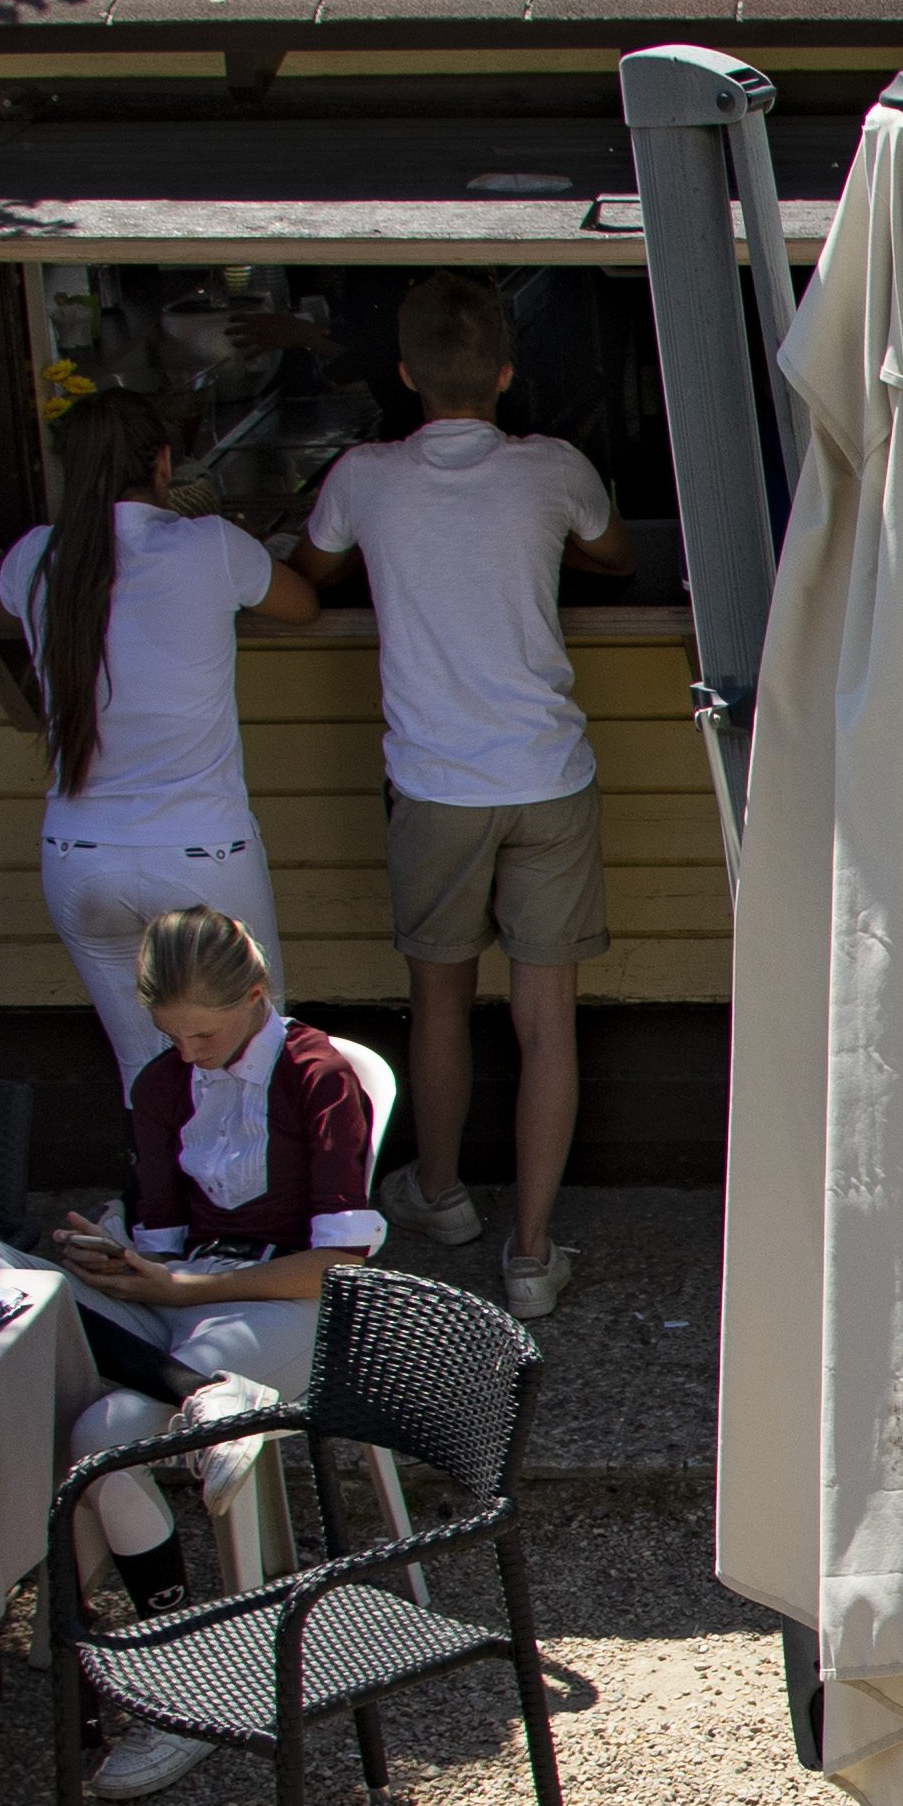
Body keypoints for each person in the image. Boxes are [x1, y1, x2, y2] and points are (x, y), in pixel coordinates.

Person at [302, 270, 615, 1324]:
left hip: (433, 782)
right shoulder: (553, 470)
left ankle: (439, 1195)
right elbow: (612, 547)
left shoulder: (364, 477)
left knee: (437, 1001)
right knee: (547, 1022)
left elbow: (313, 567)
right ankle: (531, 1255)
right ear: (508, 372)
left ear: (403, 376)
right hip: (547, 772)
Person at [44, 906, 377, 1801]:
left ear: (257, 999)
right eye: (172, 1033)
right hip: (193, 1305)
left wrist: (180, 1289)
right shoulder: (162, 1085)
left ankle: (210, 1400)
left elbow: (339, 1261)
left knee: (142, 1391)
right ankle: (185, 1673)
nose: (188, 1051)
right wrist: (117, 1264)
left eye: (204, 1032)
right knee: (97, 1426)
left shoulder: (316, 1074)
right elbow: (160, 1241)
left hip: (291, 1302)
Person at [0, 387, 314, 1093]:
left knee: (147, 1077)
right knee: (255, 1067)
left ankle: (156, 1206)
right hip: (203, 852)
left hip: (80, 853)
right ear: (164, 462)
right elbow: (302, 604)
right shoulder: (211, 546)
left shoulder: (35, 560)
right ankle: (253, 1205)